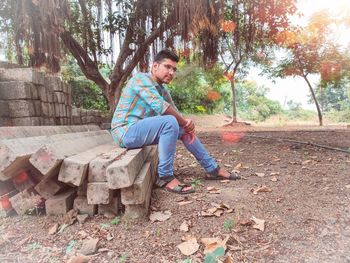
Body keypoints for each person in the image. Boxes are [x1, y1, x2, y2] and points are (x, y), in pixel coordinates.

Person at [111, 49, 240, 194]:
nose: (171, 72)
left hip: (140, 132)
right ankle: (165, 176)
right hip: (125, 131)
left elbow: (174, 110)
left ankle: (212, 169)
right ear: (155, 67)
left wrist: (187, 125)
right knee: (170, 121)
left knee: (182, 128)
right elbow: (161, 107)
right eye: (167, 67)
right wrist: (184, 122)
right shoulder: (140, 79)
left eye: (174, 69)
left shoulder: (162, 89)